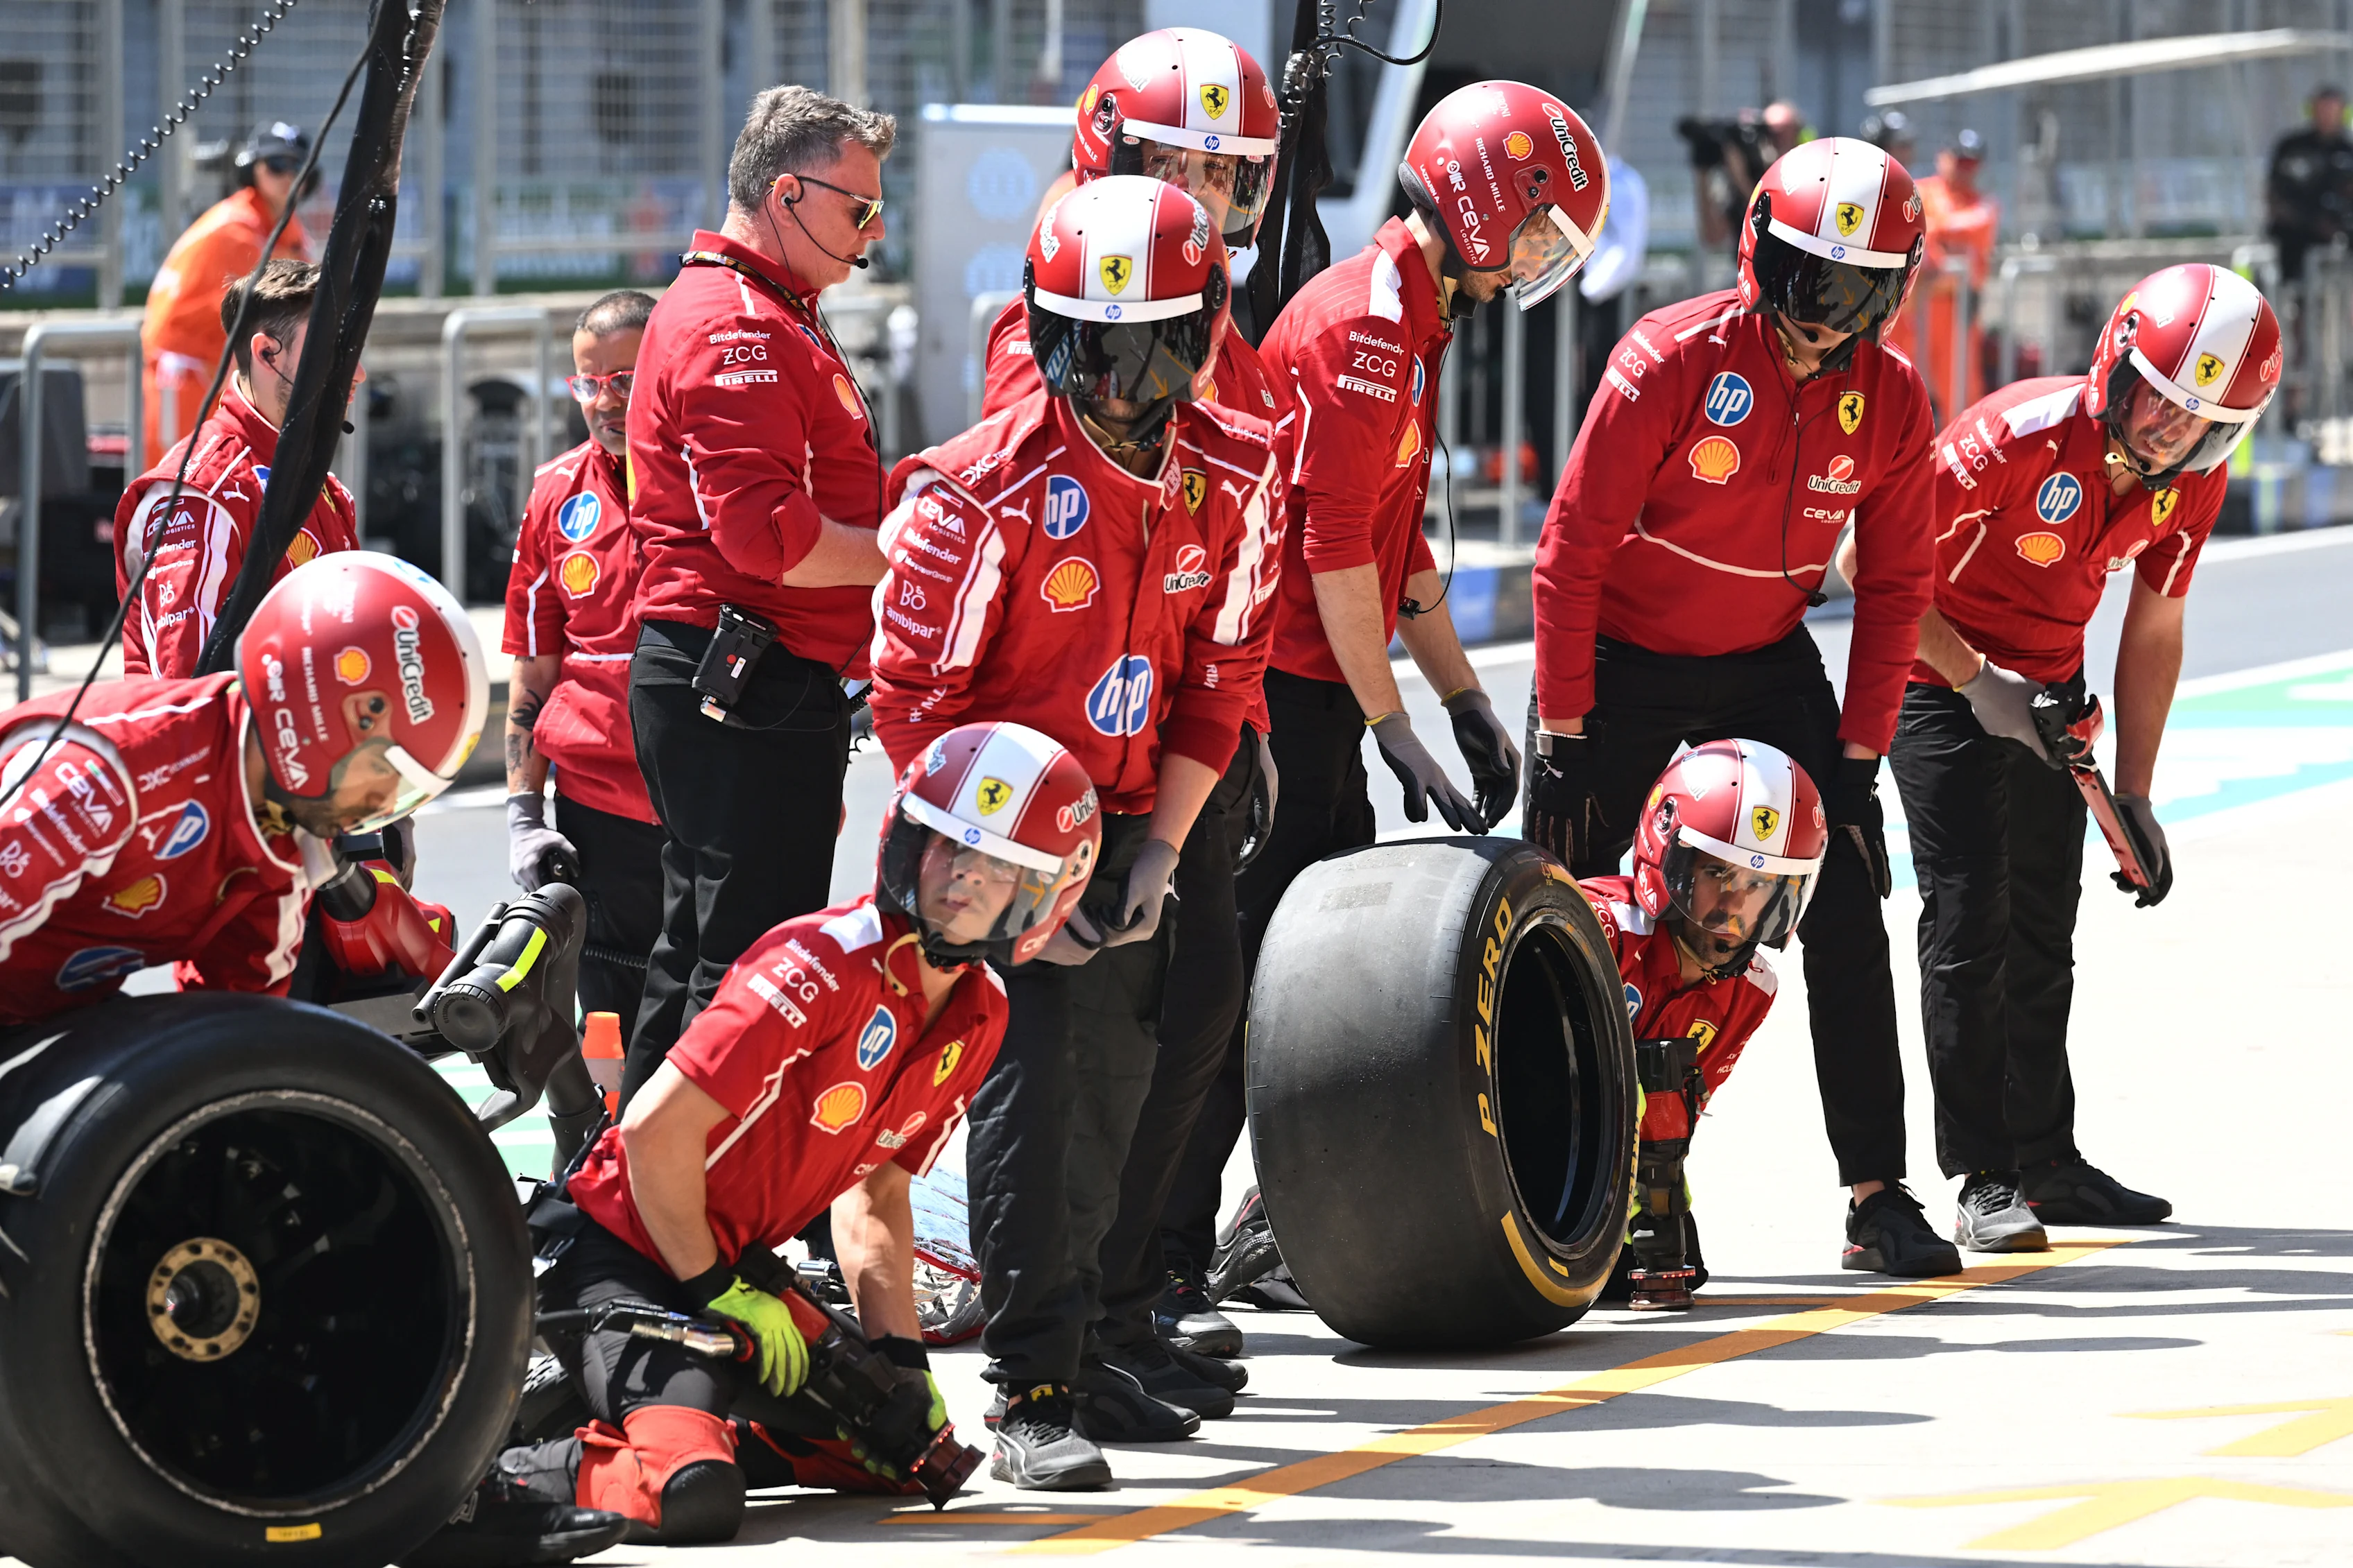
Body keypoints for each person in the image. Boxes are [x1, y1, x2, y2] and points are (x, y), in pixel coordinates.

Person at [1154, 81, 1611, 1348]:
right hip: (1281, 700)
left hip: (1315, 695)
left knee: (1290, 986)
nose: (1529, 266)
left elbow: (1403, 554)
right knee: (1239, 986)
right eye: (1530, 235)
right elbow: (1333, 549)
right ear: (1473, 205)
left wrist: (1462, 696)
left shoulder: (1409, 322)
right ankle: (1165, 1259)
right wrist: (1392, 717)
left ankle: (1237, 1235)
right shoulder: (1363, 325)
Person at [411, 721, 1101, 1552]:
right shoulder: (818, 960)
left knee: (898, 1456)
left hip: (727, 1270)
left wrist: (902, 1360)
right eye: (950, 847)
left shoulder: (980, 1012)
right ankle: (472, 1478)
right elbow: (650, 1131)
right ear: (907, 839)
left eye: (998, 870)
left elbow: (875, 1192)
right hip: (616, 1252)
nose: (963, 878)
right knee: (694, 1496)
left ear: (1036, 898)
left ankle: (683, 1418)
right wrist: (717, 1288)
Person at [869, 176, 1281, 1488]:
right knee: (1044, 1094)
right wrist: (1011, 880)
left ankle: (1104, 1329)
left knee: (1185, 1039)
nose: (1119, 380)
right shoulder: (973, 493)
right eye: (1092, 345)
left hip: (1145, 812)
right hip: (988, 832)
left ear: (1206, 329)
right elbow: (912, 707)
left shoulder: (1237, 472)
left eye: (1153, 343)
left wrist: (1156, 854)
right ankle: (1030, 1386)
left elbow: (1224, 673)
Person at [1525, 135, 1956, 1280]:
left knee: (1851, 912)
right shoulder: (1667, 357)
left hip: (1769, 663)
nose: (1829, 315)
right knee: (1544, 919)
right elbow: (1568, 550)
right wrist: (1564, 732)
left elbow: (1901, 583)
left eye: (1862, 292)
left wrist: (1858, 758)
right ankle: (1526, 1185)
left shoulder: (1896, 398)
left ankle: (1876, 1193)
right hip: (1618, 663)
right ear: (1760, 255)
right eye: (1812, 281)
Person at [973, 25, 1290, 1375]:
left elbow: (1242, 559)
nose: (1202, 197)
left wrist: (1242, 725)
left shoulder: (1227, 333)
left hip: (1178, 740)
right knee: (1065, 1057)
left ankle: (1122, 1294)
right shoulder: (1048, 322)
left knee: (1201, 1003)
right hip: (1060, 755)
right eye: (1171, 162)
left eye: (1227, 175)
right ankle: (1063, 1331)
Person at [1867, 264, 2279, 1250]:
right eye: (2153, 400)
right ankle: (1981, 1177)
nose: (2163, 432)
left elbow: (2156, 627)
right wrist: (1976, 681)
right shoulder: (2014, 435)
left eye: (2196, 424)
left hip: (2048, 698)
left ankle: (2048, 1159)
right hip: (1934, 686)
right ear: (2114, 362)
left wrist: (2133, 790)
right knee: (1970, 926)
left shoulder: (2194, 485)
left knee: (2044, 938)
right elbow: (1869, 567)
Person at [623, 86, 894, 1107]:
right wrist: (905, 552)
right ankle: (671, 1230)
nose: (873, 230)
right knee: (744, 983)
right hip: (744, 677)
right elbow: (767, 538)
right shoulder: (740, 320)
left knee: (702, 959)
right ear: (787, 194)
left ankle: (627, 1218)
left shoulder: (769, 308)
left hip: (744, 678)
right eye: (858, 209)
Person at [0, 553, 484, 1024]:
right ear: (332, 716)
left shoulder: (283, 845)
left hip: (45, 1015)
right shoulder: (109, 774)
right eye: (386, 774)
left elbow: (239, 1029)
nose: (380, 806)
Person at [1585, 739, 1826, 1311]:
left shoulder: (1755, 990)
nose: (1736, 907)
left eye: (1762, 886)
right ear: (1664, 851)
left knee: (1679, 1258)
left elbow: (1681, 1113)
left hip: (1621, 1170)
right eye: (1718, 872)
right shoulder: (1596, 927)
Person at [503, 289, 665, 1027]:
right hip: (599, 816)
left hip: (710, 800)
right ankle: (609, 1145)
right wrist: (523, 816)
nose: (603, 401)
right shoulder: (554, 493)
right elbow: (535, 670)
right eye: (587, 382)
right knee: (610, 1033)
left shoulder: (721, 480)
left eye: (623, 380)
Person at [115, 259, 359, 678]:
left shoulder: (325, 487)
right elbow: (191, 690)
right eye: (332, 354)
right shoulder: (202, 494)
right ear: (266, 354)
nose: (357, 375)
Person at [141, 121, 316, 455]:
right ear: (254, 169)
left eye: (298, 166)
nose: (288, 175)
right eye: (276, 165)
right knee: (177, 483)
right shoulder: (239, 230)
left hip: (213, 368)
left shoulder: (281, 227)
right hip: (184, 372)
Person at [1897, 130, 1999, 420]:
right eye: (1959, 160)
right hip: (1913, 305)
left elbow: (1977, 226)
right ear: (1942, 158)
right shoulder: (1920, 190)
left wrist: (1937, 236)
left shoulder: (1983, 203)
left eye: (1972, 163)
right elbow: (1912, 231)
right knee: (1902, 381)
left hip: (1957, 307)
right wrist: (1941, 246)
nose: (1965, 169)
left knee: (1961, 391)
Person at [2266, 85, 2353, 287]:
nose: (2327, 116)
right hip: (2297, 231)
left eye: (2333, 110)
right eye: (2323, 109)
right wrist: (2311, 222)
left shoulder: (2347, 151)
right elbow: (2275, 194)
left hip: (2341, 229)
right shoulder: (2292, 147)